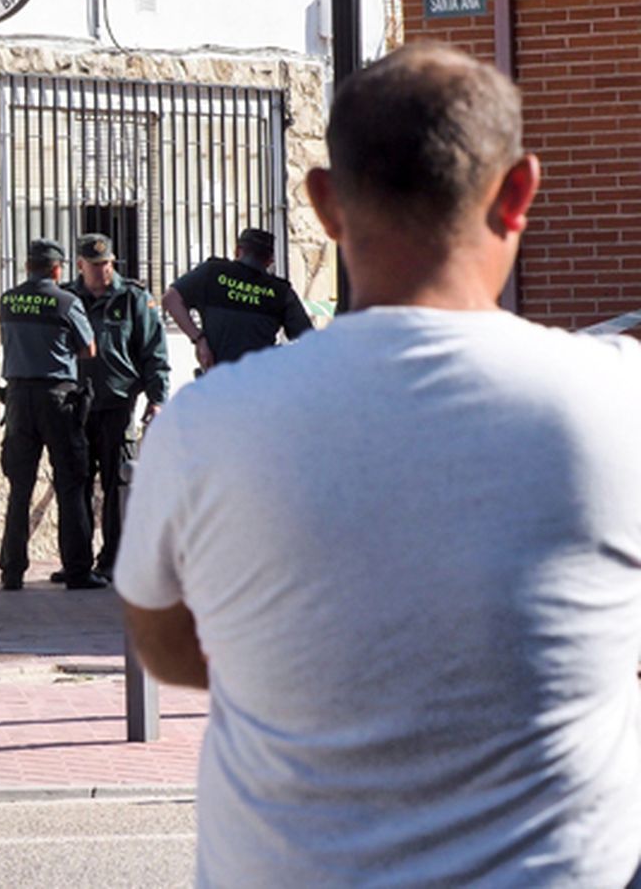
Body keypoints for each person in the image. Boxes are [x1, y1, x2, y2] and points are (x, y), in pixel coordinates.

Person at [114, 43, 641, 885]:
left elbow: (168, 649)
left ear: (325, 201)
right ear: (519, 195)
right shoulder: (621, 403)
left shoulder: (203, 426)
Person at [47, 234, 170, 585]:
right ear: (80, 265)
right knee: (75, 485)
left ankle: (114, 560)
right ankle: (78, 563)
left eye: (107, 264)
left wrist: (157, 399)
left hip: (118, 403)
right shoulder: (68, 298)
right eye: (95, 265)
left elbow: (153, 353)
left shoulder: (132, 298)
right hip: (76, 405)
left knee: (118, 485)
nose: (103, 271)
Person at [0, 237, 107, 591]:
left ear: (28, 266)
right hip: (57, 400)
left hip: (17, 399)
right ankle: (76, 570)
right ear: (58, 269)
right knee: (71, 485)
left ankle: (12, 570)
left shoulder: (9, 300)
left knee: (19, 488)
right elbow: (88, 348)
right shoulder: (66, 301)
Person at [163, 227, 313, 370]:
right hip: (260, 382)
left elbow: (170, 299)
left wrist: (199, 339)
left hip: (217, 379)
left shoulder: (212, 273)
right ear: (269, 261)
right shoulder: (281, 292)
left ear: (237, 251)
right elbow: (308, 339)